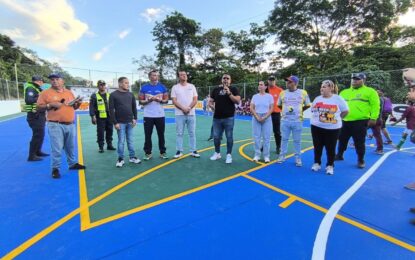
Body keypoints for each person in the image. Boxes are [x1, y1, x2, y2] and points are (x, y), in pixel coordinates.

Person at [36, 73, 85, 179]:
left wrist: (78, 103)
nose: (54, 81)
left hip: (70, 124)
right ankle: (55, 168)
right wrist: (50, 105)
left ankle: (72, 164)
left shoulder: (68, 92)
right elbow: (38, 108)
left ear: (63, 81)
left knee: (70, 146)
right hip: (55, 124)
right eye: (52, 79)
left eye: (57, 79)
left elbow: (74, 107)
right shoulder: (45, 93)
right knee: (57, 148)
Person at [335, 72, 380, 169]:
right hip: (344, 120)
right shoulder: (344, 92)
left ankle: (360, 159)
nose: (354, 81)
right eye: (353, 79)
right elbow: (338, 106)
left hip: (360, 121)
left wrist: (373, 118)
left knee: (359, 141)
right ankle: (339, 154)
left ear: (363, 80)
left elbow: (375, 105)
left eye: (357, 79)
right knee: (342, 139)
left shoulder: (370, 91)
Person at [310, 80, 349, 175]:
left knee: (330, 148)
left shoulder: (338, 99)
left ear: (331, 88)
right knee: (317, 146)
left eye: (324, 87)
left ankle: (330, 165)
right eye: (321, 86)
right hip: (316, 127)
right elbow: (313, 110)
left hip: (333, 129)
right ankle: (317, 163)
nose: (321, 88)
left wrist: (337, 119)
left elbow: (345, 111)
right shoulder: (317, 98)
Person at [276, 75, 311, 166]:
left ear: (295, 83)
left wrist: (300, 110)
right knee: (284, 139)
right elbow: (279, 105)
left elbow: (307, 104)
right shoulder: (282, 93)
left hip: (297, 121)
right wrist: (285, 111)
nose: (287, 83)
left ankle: (298, 158)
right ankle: (282, 156)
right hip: (285, 120)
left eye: (289, 82)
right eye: (287, 81)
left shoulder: (303, 92)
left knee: (297, 140)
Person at [209, 74, 241, 164]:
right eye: (224, 78)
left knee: (229, 137)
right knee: (216, 137)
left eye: (227, 78)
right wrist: (213, 107)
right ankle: (217, 153)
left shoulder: (234, 89)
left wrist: (229, 93)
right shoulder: (216, 90)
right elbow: (210, 102)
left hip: (229, 118)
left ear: (230, 80)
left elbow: (237, 101)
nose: (226, 80)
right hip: (217, 118)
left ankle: (228, 155)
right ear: (221, 80)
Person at [109, 77, 141, 167]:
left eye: (128, 82)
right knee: (121, 141)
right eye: (126, 83)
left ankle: (132, 157)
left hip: (130, 122)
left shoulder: (130, 94)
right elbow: (111, 110)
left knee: (130, 141)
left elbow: (134, 107)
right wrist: (115, 122)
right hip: (120, 123)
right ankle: (120, 158)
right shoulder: (113, 95)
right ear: (120, 84)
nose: (128, 84)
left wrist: (135, 118)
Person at [139, 70, 169, 160]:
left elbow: (166, 100)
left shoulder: (162, 87)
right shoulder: (144, 88)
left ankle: (162, 152)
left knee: (161, 134)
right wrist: (149, 100)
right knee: (148, 135)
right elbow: (141, 101)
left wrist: (159, 100)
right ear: (149, 77)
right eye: (153, 75)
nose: (155, 77)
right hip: (148, 115)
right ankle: (148, 153)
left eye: (156, 75)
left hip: (160, 115)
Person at [171, 70, 200, 158]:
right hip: (179, 114)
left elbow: (195, 99)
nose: (184, 76)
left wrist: (189, 108)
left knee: (192, 133)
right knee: (179, 133)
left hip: (191, 114)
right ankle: (179, 151)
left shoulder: (192, 86)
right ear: (179, 77)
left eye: (185, 74)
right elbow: (174, 101)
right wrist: (183, 108)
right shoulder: (175, 87)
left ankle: (193, 151)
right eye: (182, 75)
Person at [24, 75, 49, 161]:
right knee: (37, 135)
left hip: (39, 115)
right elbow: (29, 100)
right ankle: (31, 155)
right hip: (34, 115)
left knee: (41, 134)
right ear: (39, 81)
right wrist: (41, 97)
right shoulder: (31, 88)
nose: (42, 83)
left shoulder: (36, 89)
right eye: (42, 81)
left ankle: (38, 151)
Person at [250, 81, 274, 163]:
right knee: (256, 137)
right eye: (259, 84)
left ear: (265, 87)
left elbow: (271, 108)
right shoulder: (255, 96)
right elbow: (252, 107)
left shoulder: (269, 96)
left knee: (266, 138)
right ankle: (257, 155)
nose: (259, 86)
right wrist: (257, 116)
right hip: (256, 117)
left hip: (266, 118)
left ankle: (266, 156)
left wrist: (265, 117)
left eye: (261, 85)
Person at [89, 80, 115, 153]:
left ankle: (109, 145)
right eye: (101, 85)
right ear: (98, 86)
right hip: (100, 117)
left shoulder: (109, 95)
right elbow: (91, 106)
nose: (102, 86)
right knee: (100, 132)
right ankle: (101, 147)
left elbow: (113, 106)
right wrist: (92, 116)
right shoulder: (94, 96)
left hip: (109, 117)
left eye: (104, 84)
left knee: (110, 131)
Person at [267, 75, 283, 154]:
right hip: (266, 113)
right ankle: (265, 146)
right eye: (270, 80)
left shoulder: (280, 90)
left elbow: (284, 101)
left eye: (273, 80)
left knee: (277, 131)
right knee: (265, 131)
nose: (272, 81)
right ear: (268, 81)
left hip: (276, 113)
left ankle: (278, 146)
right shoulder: (265, 90)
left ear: (275, 81)